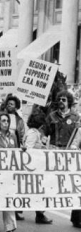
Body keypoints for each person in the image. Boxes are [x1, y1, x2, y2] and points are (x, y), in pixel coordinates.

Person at [42, 91, 81, 227]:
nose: (61, 102)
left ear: (69, 102)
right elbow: (43, 131)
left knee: (75, 185)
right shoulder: (52, 116)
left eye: (64, 99)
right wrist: (41, 137)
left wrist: (75, 145)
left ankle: (77, 218)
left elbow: (79, 136)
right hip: (54, 151)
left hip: (69, 153)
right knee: (49, 183)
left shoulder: (76, 118)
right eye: (59, 99)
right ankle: (40, 213)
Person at [23, 112, 53, 225]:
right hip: (33, 166)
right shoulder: (33, 134)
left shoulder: (32, 132)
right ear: (41, 125)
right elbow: (28, 149)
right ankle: (40, 214)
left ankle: (39, 213)